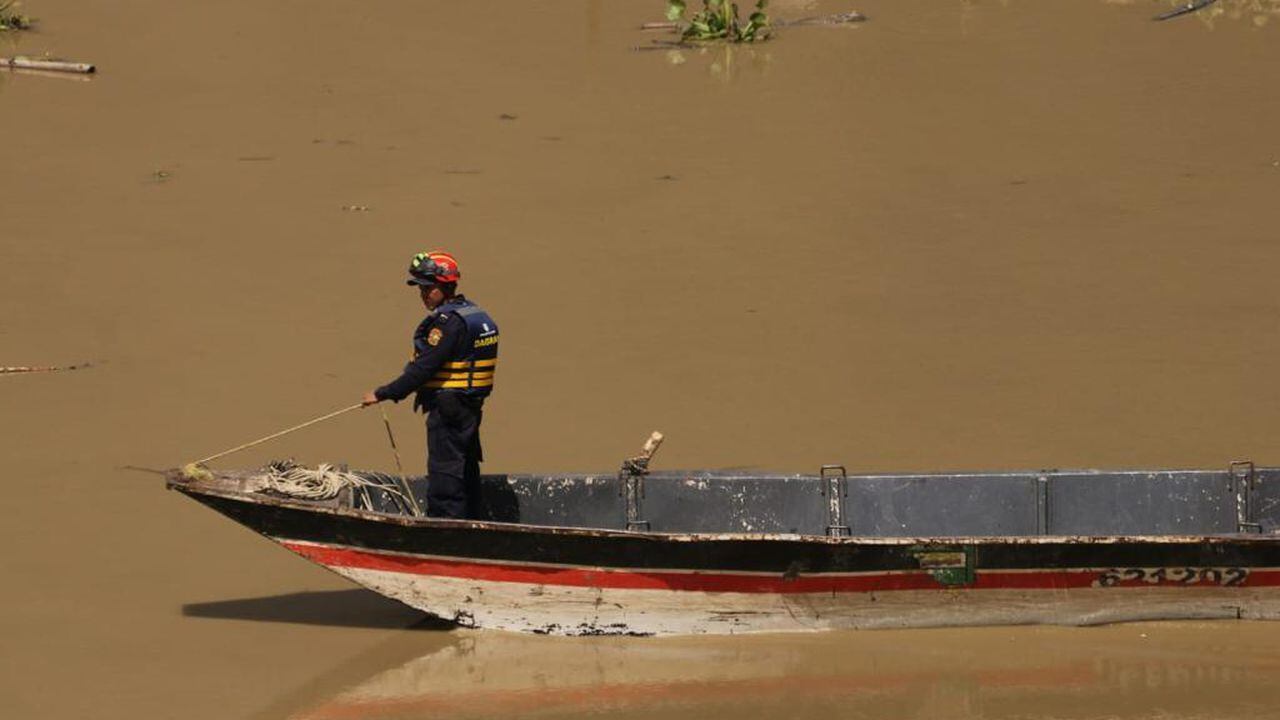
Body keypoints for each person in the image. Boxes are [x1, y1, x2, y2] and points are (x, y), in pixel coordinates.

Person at [362, 250, 498, 519]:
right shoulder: (474, 314)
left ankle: (446, 528)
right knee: (466, 466)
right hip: (469, 406)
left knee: (445, 472)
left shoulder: (447, 324)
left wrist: (383, 393)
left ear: (445, 286)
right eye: (421, 289)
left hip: (448, 407)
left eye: (428, 288)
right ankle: (471, 521)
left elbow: (423, 369)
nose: (423, 295)